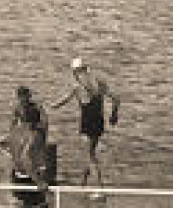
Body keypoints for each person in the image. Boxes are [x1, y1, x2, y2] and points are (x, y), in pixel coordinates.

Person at [51, 57, 121, 188]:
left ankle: (101, 189)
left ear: (75, 71)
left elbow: (64, 100)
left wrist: (51, 106)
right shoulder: (99, 83)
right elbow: (116, 99)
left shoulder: (78, 86)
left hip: (87, 122)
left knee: (89, 156)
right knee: (90, 152)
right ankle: (82, 185)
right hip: (99, 121)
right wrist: (113, 115)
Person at [2, 99, 52, 208]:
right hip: (29, 180)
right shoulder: (34, 135)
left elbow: (2, 144)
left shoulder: (14, 132)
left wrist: (12, 157)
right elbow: (26, 159)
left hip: (16, 177)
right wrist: (39, 181)